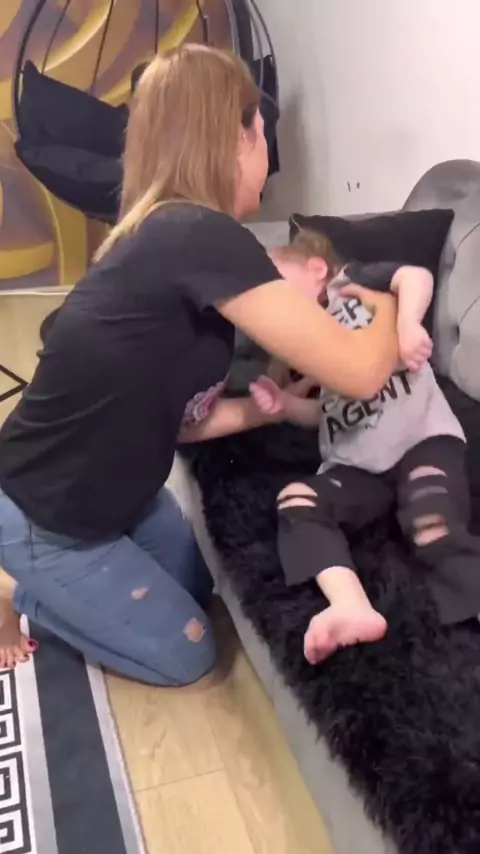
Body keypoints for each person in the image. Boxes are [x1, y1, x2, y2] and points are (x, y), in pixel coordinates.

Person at [0, 46, 398, 683]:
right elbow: (363, 373)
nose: (267, 148)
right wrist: (387, 292)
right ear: (238, 137)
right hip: (46, 513)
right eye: (262, 128)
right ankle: (15, 587)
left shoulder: (169, 232)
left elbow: (184, 423)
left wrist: (273, 409)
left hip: (121, 498)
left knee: (198, 591)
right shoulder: (198, 234)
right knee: (190, 655)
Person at [249, 230, 479, 666]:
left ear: (317, 270)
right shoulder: (307, 345)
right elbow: (326, 413)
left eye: (275, 285)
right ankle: (349, 605)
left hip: (420, 439)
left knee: (433, 524)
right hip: (357, 466)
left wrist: (408, 325)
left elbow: (414, 276)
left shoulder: (349, 285)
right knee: (296, 499)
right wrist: (285, 406)